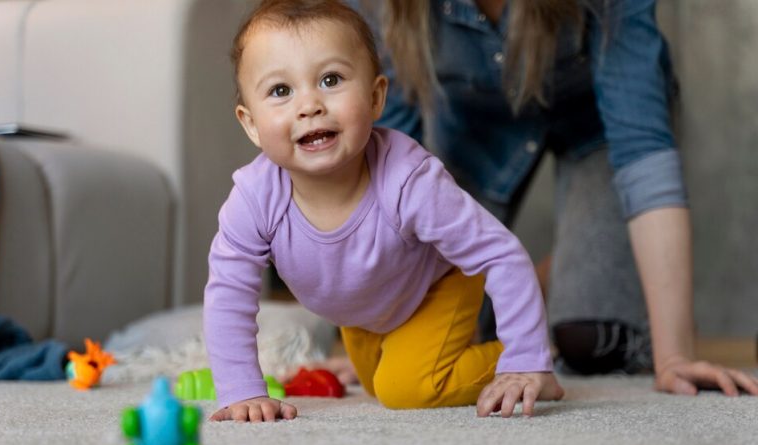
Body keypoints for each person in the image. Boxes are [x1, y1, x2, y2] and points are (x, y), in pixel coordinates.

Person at [346, 0, 758, 396]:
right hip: (476, 132)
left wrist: (675, 356)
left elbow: (642, 149)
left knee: (589, 340)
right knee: (461, 328)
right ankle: (553, 272)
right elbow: (387, 169)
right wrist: (386, 332)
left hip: (598, 128)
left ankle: (576, 270)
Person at [203, 0, 565, 423]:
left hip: (437, 286)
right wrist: (242, 390)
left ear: (376, 98)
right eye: (281, 91)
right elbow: (228, 294)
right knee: (376, 383)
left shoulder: (409, 180)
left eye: (330, 79)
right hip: (365, 309)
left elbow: (500, 253)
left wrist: (526, 359)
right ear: (250, 124)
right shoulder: (253, 199)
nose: (309, 105)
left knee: (406, 387)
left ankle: (531, 359)